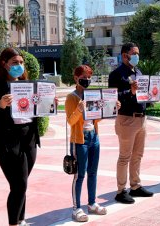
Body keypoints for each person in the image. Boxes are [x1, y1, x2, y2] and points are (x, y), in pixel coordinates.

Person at [0, 47, 53, 226]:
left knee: (21, 184)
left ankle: (21, 220)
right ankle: (14, 223)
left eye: (21, 63)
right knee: (19, 185)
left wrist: (48, 103)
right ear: (4, 64)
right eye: (15, 63)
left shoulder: (27, 84)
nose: (19, 66)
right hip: (9, 140)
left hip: (29, 138)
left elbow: (36, 109)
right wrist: (0, 105)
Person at [108, 42, 154, 204]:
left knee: (138, 155)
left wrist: (154, 93)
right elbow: (112, 97)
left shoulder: (138, 72)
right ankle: (121, 191)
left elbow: (143, 93)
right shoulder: (116, 74)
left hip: (141, 118)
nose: (137, 56)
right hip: (126, 119)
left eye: (138, 53)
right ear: (124, 55)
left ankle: (135, 186)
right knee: (124, 156)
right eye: (134, 53)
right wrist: (130, 91)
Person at [65, 65, 112, 222]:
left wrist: (109, 109)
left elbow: (95, 118)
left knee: (93, 172)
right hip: (80, 139)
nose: (86, 80)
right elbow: (71, 121)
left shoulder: (92, 94)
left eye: (89, 77)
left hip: (94, 137)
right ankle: (76, 208)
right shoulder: (71, 97)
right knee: (80, 175)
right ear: (76, 78)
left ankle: (92, 203)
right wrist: (79, 110)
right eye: (83, 77)